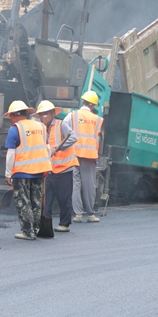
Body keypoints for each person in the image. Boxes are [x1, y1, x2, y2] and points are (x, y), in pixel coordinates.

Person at [4, 100, 52, 241]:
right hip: (39, 170)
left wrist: (8, 173)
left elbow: (11, 154)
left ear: (13, 115)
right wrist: (47, 162)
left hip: (22, 171)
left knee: (23, 201)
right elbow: (47, 148)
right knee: (35, 201)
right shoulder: (41, 126)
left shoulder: (15, 129)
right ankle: (35, 229)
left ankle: (28, 232)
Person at [35, 100, 78, 233]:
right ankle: (45, 223)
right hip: (49, 170)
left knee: (64, 198)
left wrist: (56, 148)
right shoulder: (40, 129)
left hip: (64, 168)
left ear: (52, 113)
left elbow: (72, 138)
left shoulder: (61, 125)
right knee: (46, 199)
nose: (44, 116)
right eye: (42, 114)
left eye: (47, 113)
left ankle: (65, 224)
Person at [65, 90, 104, 223]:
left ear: (83, 102)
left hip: (74, 155)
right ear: (92, 106)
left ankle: (78, 215)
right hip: (89, 156)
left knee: (76, 184)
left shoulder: (72, 116)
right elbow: (98, 139)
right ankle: (91, 214)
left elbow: (64, 131)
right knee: (89, 185)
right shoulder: (97, 119)